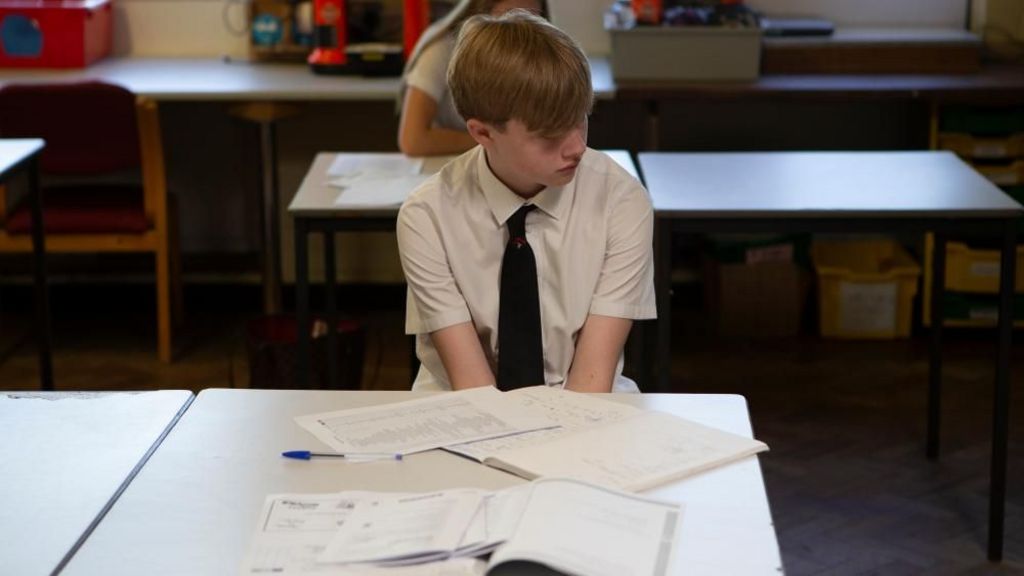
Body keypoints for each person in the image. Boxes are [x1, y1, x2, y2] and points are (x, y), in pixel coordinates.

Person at [396, 10, 655, 393]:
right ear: (482, 132)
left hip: (585, 406)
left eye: (581, 119)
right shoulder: (428, 217)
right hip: (463, 409)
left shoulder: (621, 202)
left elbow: (591, 381)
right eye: (550, 137)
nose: (578, 147)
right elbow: (473, 388)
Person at [397, 0, 547, 156]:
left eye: (533, 21)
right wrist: (496, 142)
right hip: (447, 163)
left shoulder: (536, 58)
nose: (522, 32)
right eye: (512, 17)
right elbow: (412, 140)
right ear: (482, 10)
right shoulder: (442, 51)